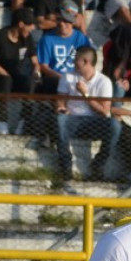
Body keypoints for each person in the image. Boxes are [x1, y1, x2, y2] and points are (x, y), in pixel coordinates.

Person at [55, 45, 121, 181]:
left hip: (94, 123)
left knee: (115, 125)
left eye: (76, 59)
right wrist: (61, 107)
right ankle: (65, 165)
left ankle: (98, 165)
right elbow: (59, 101)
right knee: (60, 119)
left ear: (86, 62)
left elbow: (105, 111)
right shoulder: (67, 77)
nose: (73, 62)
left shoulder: (104, 81)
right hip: (72, 120)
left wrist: (85, 94)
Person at [0, 7, 39, 136]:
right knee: (5, 79)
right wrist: (4, 73)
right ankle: (2, 123)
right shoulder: (0, 35)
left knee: (29, 82)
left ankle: (24, 121)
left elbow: (35, 61)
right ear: (21, 24)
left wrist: (36, 71)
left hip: (14, 76)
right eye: (30, 25)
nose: (33, 28)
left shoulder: (27, 38)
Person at [36, 0, 93, 95]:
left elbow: (89, 63)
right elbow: (44, 66)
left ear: (72, 22)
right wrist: (62, 78)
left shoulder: (82, 39)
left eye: (66, 20)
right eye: (59, 20)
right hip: (55, 79)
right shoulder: (47, 39)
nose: (62, 24)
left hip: (77, 78)